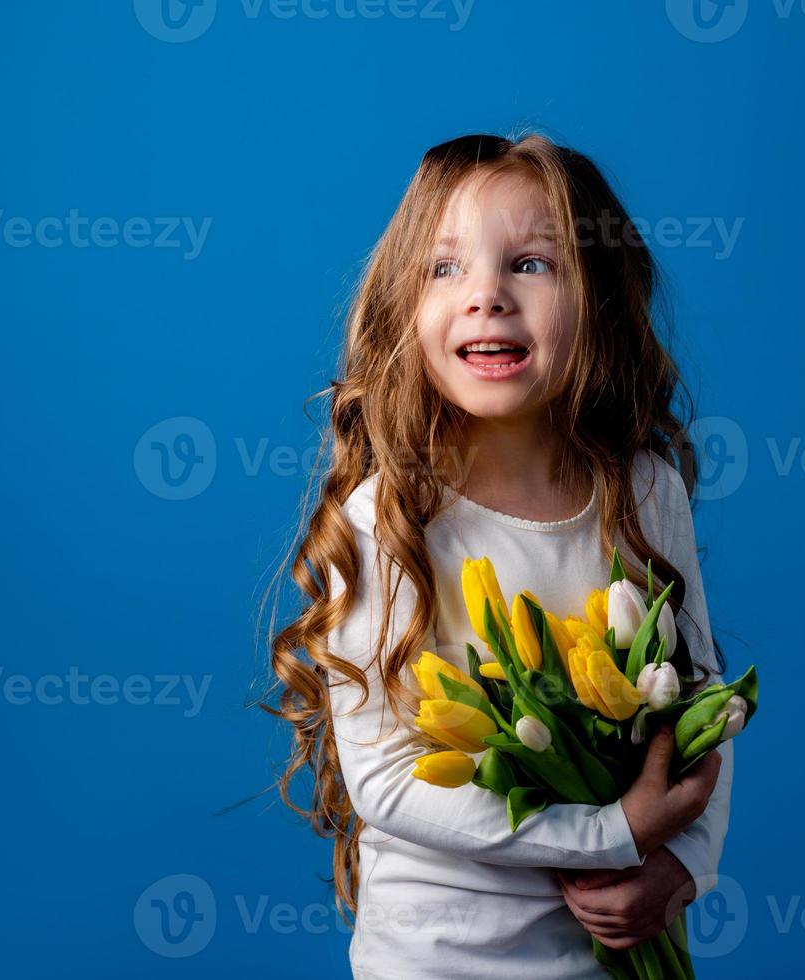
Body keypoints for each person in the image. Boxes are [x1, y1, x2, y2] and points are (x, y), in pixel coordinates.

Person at [262, 131, 735, 979]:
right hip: (435, 962)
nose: (486, 296)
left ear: (598, 295)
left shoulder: (643, 492)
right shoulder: (392, 520)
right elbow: (389, 783)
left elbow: (702, 711)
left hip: (612, 955)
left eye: (532, 264)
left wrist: (678, 868)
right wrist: (613, 834)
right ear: (403, 304)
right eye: (444, 269)